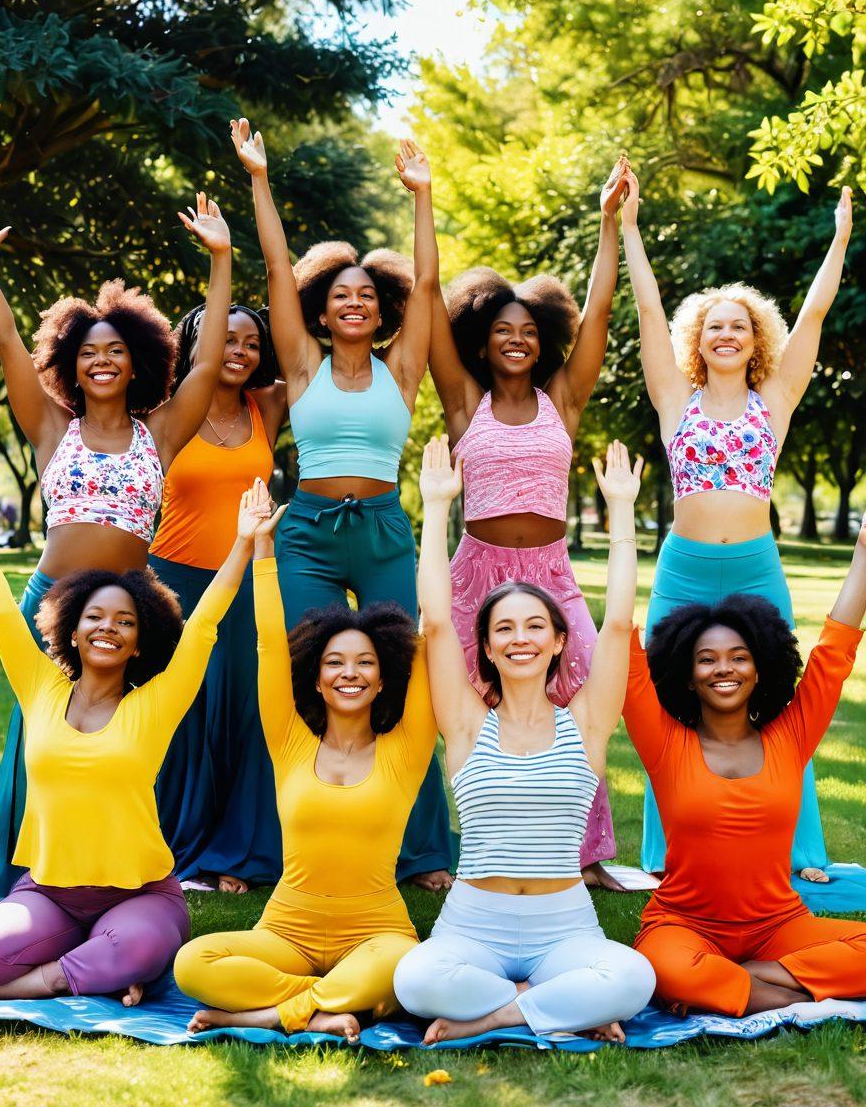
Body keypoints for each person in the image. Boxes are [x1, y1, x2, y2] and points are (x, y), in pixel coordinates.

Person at [0, 196, 232, 903]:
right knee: (39, 735)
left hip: (130, 611)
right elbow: (3, 346)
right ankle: (18, 871)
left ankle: (120, 868)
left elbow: (208, 362)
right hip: (49, 602)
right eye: (89, 353)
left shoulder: (163, 431)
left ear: (138, 360)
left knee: (126, 741)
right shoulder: (52, 427)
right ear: (71, 364)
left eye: (116, 350)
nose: (103, 361)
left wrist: (220, 258)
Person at [229, 119, 452, 891]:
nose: (352, 304)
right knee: (295, 680)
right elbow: (275, 264)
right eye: (339, 297)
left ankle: (421, 853)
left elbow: (428, 286)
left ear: (379, 311)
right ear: (320, 313)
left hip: (387, 531)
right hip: (310, 537)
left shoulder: (403, 367)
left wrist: (422, 200)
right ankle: (275, 846)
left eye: (365, 296)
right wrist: (260, 177)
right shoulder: (299, 363)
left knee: (408, 680)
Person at [622, 175, 854, 880]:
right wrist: (629, 225)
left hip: (755, 565)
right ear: (701, 338)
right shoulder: (673, 397)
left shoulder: (775, 398)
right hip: (685, 566)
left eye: (739, 324)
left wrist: (841, 235)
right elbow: (649, 310)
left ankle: (799, 852)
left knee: (777, 704)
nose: (726, 333)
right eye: (715, 324)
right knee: (671, 697)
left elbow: (814, 316)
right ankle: (668, 852)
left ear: (756, 340)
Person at [393, 437, 655, 1044]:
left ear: (560, 640)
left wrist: (620, 511)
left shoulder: (586, 723)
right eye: (503, 628)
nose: (520, 639)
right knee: (414, 981)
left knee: (635, 977)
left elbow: (618, 623)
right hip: (471, 923)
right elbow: (434, 621)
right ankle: (558, 1008)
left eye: (536, 625)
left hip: (565, 925)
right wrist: (437, 509)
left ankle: (497, 1015)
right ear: (484, 647)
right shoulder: (463, 723)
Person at [0, 485, 264, 1004]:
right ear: (72, 627)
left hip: (141, 895)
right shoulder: (40, 686)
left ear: (139, 639)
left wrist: (242, 543)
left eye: (125, 622)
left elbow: (202, 629)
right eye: (96, 617)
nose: (109, 628)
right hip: (50, 893)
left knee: (140, 945)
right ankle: (98, 967)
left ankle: (40, 982)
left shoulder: (154, 703)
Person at [174, 481, 438, 1042]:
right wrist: (263, 551)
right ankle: (326, 1006)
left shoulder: (406, 749)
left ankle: (272, 1013)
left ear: (385, 676)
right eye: (335, 662)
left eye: (365, 662)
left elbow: (428, 632)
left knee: (404, 967)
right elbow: (271, 646)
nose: (349, 673)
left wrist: (433, 516)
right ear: (315, 679)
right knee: (192, 963)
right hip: (287, 932)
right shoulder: (290, 742)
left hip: (376, 933)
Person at [427, 160, 628, 890]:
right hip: (475, 569)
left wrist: (609, 225)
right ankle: (452, 849)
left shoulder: (565, 401)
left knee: (580, 683)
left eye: (528, 332)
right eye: (501, 331)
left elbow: (601, 313)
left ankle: (583, 853)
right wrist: (424, 198)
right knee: (453, 697)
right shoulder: (462, 401)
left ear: (544, 341)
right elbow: (424, 299)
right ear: (482, 341)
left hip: (550, 568)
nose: (515, 341)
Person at [622, 517, 866, 1016]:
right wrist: (624, 517)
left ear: (761, 667)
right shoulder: (665, 742)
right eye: (706, 659)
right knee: (656, 965)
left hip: (779, 927)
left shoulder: (790, 736)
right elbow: (621, 646)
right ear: (687, 675)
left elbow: (834, 653)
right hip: (682, 926)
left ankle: (742, 985)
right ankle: (796, 996)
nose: (724, 669)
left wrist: (863, 554)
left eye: (739, 657)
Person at [150, 304, 286, 893]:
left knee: (242, 709)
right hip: (173, 580)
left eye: (251, 342)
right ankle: (174, 848)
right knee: (183, 714)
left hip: (244, 578)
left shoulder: (270, 406)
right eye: (224, 339)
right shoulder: (163, 411)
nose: (239, 350)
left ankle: (235, 851)